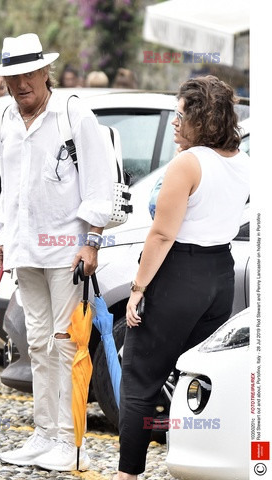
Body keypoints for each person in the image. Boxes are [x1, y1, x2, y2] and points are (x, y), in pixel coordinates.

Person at [0, 33, 113, 471]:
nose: (20, 84)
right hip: (26, 248)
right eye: (11, 77)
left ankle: (69, 440)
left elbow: (100, 180)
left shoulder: (72, 113)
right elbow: (10, 188)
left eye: (27, 74)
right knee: (36, 343)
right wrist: (5, 236)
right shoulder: (6, 118)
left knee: (66, 345)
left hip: (67, 251)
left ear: (45, 73)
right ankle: (43, 434)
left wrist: (92, 239)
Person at [114, 75, 249, 480]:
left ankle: (127, 474)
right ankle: (194, 463)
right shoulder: (242, 163)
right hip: (219, 276)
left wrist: (137, 289)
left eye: (180, 114)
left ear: (203, 119)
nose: (174, 122)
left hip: (178, 275)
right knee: (195, 377)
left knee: (139, 379)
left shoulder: (188, 163)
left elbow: (162, 234)